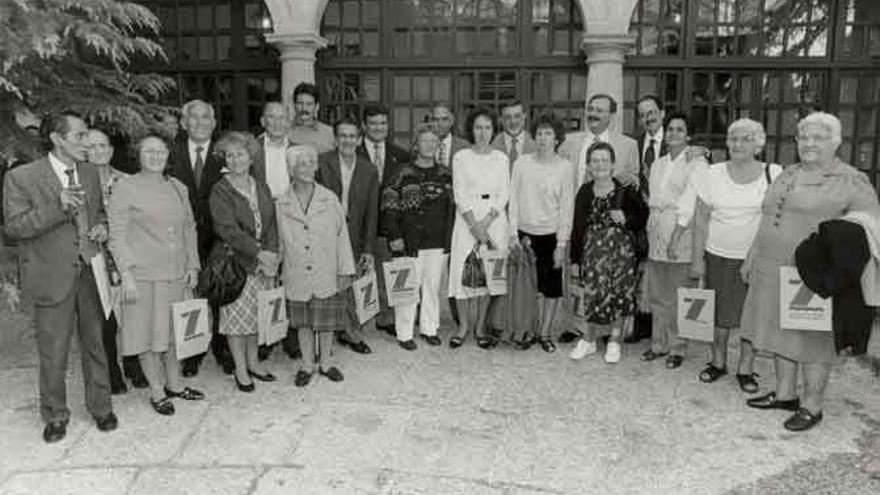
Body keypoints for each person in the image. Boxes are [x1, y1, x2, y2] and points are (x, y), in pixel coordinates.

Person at [741, 112, 880, 431]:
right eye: (803, 137)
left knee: (813, 338)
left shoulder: (851, 180)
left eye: (818, 137)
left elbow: (871, 225)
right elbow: (767, 217)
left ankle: (812, 405)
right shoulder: (788, 173)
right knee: (777, 331)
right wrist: (752, 255)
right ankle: (785, 394)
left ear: (836, 142)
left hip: (813, 276)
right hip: (771, 268)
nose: (809, 143)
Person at [4, 111, 117, 442]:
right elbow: (15, 227)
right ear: (56, 138)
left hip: (89, 272)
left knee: (96, 344)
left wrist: (101, 227)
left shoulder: (90, 173)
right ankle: (54, 415)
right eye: (80, 136)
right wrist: (58, 206)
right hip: (51, 276)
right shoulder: (22, 178)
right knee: (54, 351)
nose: (87, 143)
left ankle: (102, 407)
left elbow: (98, 214)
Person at [670, 119, 781, 392]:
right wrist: (697, 260)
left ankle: (746, 367)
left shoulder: (774, 173)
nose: (738, 144)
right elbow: (701, 220)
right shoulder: (713, 174)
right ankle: (718, 362)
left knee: (749, 315)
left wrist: (754, 255)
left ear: (758, 143)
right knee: (717, 314)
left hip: (756, 258)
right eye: (733, 139)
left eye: (745, 139)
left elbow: (772, 220)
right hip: (717, 255)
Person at [108, 135, 204, 416]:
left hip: (176, 274)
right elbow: (117, 234)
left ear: (168, 155)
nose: (155, 156)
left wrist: (193, 265)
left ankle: (175, 385)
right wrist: (125, 273)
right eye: (148, 151)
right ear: (138, 155)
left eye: (160, 151)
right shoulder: (125, 187)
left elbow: (190, 228)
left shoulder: (178, 187)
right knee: (147, 336)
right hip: (142, 276)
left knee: (174, 334)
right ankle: (157, 391)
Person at [557, 93, 640, 344]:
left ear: (611, 116)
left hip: (610, 229)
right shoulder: (570, 142)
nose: (593, 113)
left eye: (599, 110)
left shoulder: (627, 145)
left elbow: (635, 181)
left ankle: (605, 331)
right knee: (575, 276)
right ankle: (574, 325)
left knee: (610, 279)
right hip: (575, 217)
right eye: (590, 108)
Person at [278, 145, 356, 386]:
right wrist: (275, 270)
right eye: (301, 163)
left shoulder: (329, 199)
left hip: (326, 270)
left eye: (311, 163)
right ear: (291, 169)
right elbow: (279, 240)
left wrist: (345, 270)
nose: (307, 168)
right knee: (302, 322)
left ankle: (326, 363)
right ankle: (307, 364)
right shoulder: (281, 203)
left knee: (325, 322)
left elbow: (342, 237)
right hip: (296, 271)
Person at [208, 132, 279, 393]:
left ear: (251, 157)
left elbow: (271, 223)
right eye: (230, 154)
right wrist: (259, 254)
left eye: (240, 154)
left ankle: (254, 362)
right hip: (235, 264)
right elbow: (227, 229)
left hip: (263, 263)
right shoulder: (220, 189)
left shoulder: (261, 186)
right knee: (236, 321)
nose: (235, 159)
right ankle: (240, 368)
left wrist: (272, 254)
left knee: (255, 317)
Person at [166, 99, 232, 377]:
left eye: (207, 117)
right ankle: (192, 351)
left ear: (215, 123)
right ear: (183, 123)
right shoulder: (169, 153)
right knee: (189, 295)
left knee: (218, 293)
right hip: (180, 237)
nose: (201, 123)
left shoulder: (226, 153)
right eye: (194, 118)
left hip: (217, 236)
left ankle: (221, 346)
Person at [568, 142, 648, 363]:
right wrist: (575, 259)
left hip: (621, 255)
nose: (600, 164)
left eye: (604, 160)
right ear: (588, 166)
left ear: (612, 165)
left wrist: (627, 219)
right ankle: (590, 339)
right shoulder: (585, 191)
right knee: (593, 296)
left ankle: (614, 340)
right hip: (592, 255)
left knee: (620, 295)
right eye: (595, 160)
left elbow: (643, 216)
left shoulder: (626, 190)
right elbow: (577, 227)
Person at [641, 112, 709, 369]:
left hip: (680, 229)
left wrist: (676, 236)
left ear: (688, 135)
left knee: (679, 292)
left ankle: (677, 347)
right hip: (657, 228)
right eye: (670, 129)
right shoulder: (658, 164)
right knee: (658, 292)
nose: (673, 134)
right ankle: (658, 343)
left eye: (680, 129)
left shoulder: (696, 162)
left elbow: (690, 202)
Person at [85, 129, 147, 393]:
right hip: (94, 261)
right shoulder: (75, 185)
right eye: (90, 147)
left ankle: (133, 364)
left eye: (102, 145)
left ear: (111, 150)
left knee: (131, 314)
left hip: (127, 259)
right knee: (105, 321)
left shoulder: (129, 182)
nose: (97, 151)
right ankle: (112, 369)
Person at [383, 126, 454, 350]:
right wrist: (394, 235)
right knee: (406, 290)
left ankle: (429, 328)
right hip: (407, 241)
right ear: (415, 145)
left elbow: (451, 209)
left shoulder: (446, 174)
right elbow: (389, 206)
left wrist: (448, 240)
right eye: (425, 141)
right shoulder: (401, 172)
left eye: (435, 141)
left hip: (436, 242)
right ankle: (404, 333)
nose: (430, 145)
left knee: (432, 288)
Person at [447, 107, 512, 349]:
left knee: (488, 275)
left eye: (487, 127)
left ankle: (480, 326)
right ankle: (463, 326)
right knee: (460, 273)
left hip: (494, 221)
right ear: (470, 130)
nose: (483, 132)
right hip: (466, 221)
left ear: (493, 130)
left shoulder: (501, 159)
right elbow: (459, 192)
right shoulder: (461, 157)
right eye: (478, 127)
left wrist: (486, 224)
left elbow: (504, 192)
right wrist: (474, 225)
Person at [508, 115, 573, 352]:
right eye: (540, 133)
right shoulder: (521, 164)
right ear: (534, 136)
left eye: (549, 134)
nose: (544, 138)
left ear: (557, 138)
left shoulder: (565, 167)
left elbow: (567, 208)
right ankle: (529, 330)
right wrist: (513, 235)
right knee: (527, 289)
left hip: (552, 235)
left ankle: (545, 333)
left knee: (551, 287)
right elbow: (512, 200)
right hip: (525, 234)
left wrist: (561, 244)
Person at [316, 118, 378, 355]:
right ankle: (324, 340)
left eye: (352, 136)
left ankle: (350, 333)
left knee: (350, 288)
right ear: (335, 139)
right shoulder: (321, 163)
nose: (348, 140)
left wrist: (369, 248)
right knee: (325, 288)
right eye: (343, 135)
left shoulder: (369, 169)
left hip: (353, 237)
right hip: (324, 236)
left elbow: (372, 213)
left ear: (360, 140)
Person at [357, 104, 412, 335]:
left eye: (382, 123)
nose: (378, 127)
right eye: (373, 123)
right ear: (364, 126)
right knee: (362, 274)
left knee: (389, 270)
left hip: (390, 225)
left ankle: (387, 318)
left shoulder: (401, 154)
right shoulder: (354, 152)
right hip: (360, 224)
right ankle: (361, 318)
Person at [625, 94, 668, 344]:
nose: (647, 118)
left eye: (651, 112)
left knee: (661, 273)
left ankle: (660, 327)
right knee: (640, 272)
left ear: (661, 112)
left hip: (665, 220)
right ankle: (641, 324)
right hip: (641, 220)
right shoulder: (635, 144)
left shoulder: (676, 142)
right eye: (642, 115)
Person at [252, 101, 293, 199]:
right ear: (263, 121)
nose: (277, 123)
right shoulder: (250, 148)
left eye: (282, 118)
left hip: (291, 208)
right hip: (260, 208)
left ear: (288, 122)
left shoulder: (298, 150)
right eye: (271, 117)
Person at [289, 82, 335, 153]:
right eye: (300, 103)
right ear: (294, 105)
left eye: (309, 104)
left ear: (317, 107)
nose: (304, 108)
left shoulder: (329, 133)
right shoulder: (284, 131)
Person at [493, 100, 536, 169]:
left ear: (524, 116)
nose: (513, 121)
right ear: (501, 120)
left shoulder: (536, 145)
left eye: (517, 116)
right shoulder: (492, 147)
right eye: (508, 117)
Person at [431, 103, 470, 171]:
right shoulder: (423, 144)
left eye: (444, 119)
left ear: (451, 121)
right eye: (436, 119)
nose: (440, 124)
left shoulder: (464, 146)